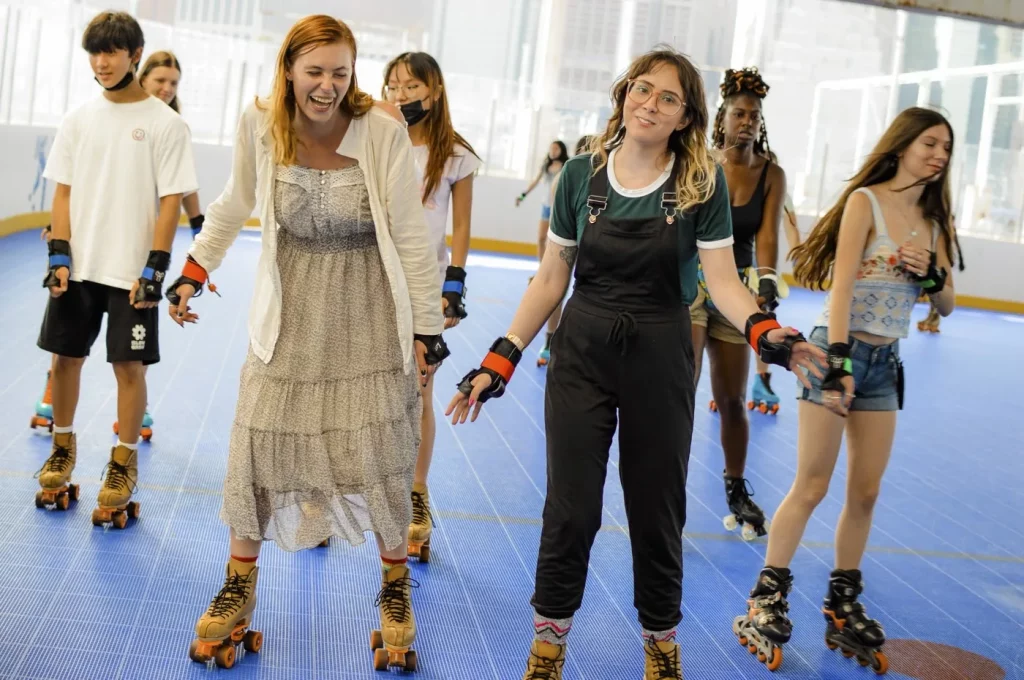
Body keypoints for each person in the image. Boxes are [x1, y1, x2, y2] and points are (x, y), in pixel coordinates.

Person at [445, 46, 825, 680]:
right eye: (642, 89)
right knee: (571, 510)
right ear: (623, 94)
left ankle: (660, 646)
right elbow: (551, 277)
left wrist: (772, 337)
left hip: (661, 352)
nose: (650, 103)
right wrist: (499, 360)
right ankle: (548, 647)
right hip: (583, 350)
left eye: (668, 98)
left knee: (656, 511)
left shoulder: (699, 182)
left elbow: (724, 283)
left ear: (684, 117)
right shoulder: (581, 176)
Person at [165, 15, 446, 672]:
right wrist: (195, 269)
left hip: (368, 309)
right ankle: (240, 584)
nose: (327, 86)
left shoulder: (381, 130)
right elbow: (235, 201)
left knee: (379, 449)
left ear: (354, 73)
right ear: (289, 68)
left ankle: (394, 586)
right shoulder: (262, 122)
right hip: (288, 309)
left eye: (340, 73)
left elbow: (408, 233)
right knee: (257, 440)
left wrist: (427, 325)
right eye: (314, 71)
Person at [732, 107, 957, 674]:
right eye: (929, 143)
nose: (938, 155)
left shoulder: (934, 221)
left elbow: (948, 303)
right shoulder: (868, 203)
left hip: (886, 364)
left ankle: (842, 599)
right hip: (839, 354)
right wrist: (837, 361)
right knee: (812, 484)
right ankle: (768, 595)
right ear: (902, 145)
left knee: (865, 493)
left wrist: (931, 275)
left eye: (946, 148)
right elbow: (841, 286)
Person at [33, 11, 197, 525]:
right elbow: (62, 191)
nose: (101, 62)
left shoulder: (165, 123)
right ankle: (62, 448)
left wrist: (156, 267)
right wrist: (59, 253)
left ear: (133, 53)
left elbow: (172, 199)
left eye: (112, 52)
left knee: (128, 368)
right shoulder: (79, 119)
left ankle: (123, 461)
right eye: (94, 52)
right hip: (78, 267)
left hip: (130, 272)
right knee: (64, 361)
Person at [381, 51, 481, 564]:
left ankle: (416, 495)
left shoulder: (454, 154)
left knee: (420, 392)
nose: (400, 96)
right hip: (373, 282)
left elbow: (460, 226)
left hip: (424, 288)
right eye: (392, 85)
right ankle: (329, 499)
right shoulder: (375, 140)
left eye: (410, 86)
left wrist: (455, 284)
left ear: (434, 91)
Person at [694, 67, 787, 542]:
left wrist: (767, 284)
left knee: (731, 398)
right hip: (691, 285)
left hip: (738, 290)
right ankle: (662, 484)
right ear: (723, 118)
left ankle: (735, 487)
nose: (747, 121)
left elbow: (767, 235)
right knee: (676, 391)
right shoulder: (700, 161)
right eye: (739, 113)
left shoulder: (771, 173)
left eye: (754, 115)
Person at [517, 140, 569, 365]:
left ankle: (551, 342)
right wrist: (523, 195)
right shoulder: (549, 169)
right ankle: (542, 266)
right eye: (551, 148)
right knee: (543, 239)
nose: (553, 151)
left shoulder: (566, 168)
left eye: (556, 148)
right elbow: (536, 181)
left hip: (561, 210)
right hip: (548, 206)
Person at [917, 215, 964, 332]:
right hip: (934, 264)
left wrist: (960, 261)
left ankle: (934, 321)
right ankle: (930, 319)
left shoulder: (949, 231)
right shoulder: (940, 230)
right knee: (932, 295)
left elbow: (955, 247)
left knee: (938, 293)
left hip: (944, 265)